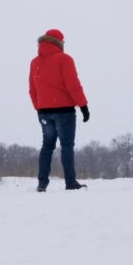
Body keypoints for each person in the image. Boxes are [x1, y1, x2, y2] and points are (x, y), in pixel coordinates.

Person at [29, 28, 90, 192]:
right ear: (58, 42)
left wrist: (39, 109)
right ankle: (70, 182)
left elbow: (32, 90)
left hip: (44, 112)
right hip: (64, 111)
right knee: (67, 146)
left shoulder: (35, 63)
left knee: (47, 146)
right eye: (63, 41)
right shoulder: (64, 59)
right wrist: (83, 106)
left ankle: (42, 183)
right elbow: (73, 85)